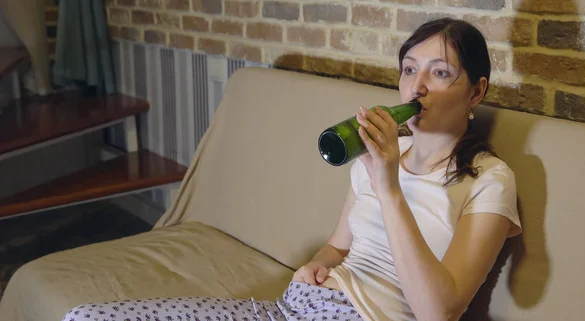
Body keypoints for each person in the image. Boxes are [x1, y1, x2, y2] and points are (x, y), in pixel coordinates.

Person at [62, 18, 521, 321]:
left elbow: (439, 311)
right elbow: (338, 246)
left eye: (439, 73)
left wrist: (389, 188)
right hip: (291, 308)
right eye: (408, 69)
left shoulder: (488, 180)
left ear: (476, 93)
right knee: (84, 318)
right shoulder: (379, 154)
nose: (416, 86)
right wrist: (315, 265)